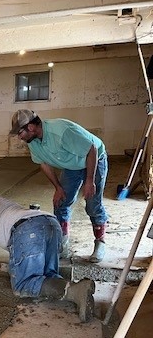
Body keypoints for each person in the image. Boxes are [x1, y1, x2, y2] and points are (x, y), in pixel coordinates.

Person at [0, 188, 96, 322]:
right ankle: (77, 291)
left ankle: (76, 291)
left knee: (23, 284)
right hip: (51, 224)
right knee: (47, 275)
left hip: (28, 230)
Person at [10, 109, 109, 263]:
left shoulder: (61, 132)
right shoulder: (33, 141)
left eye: (20, 132)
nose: (19, 137)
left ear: (30, 127)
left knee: (92, 203)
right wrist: (58, 188)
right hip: (72, 164)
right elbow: (43, 163)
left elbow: (92, 150)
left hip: (94, 159)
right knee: (60, 201)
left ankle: (100, 242)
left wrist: (90, 181)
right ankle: (63, 243)